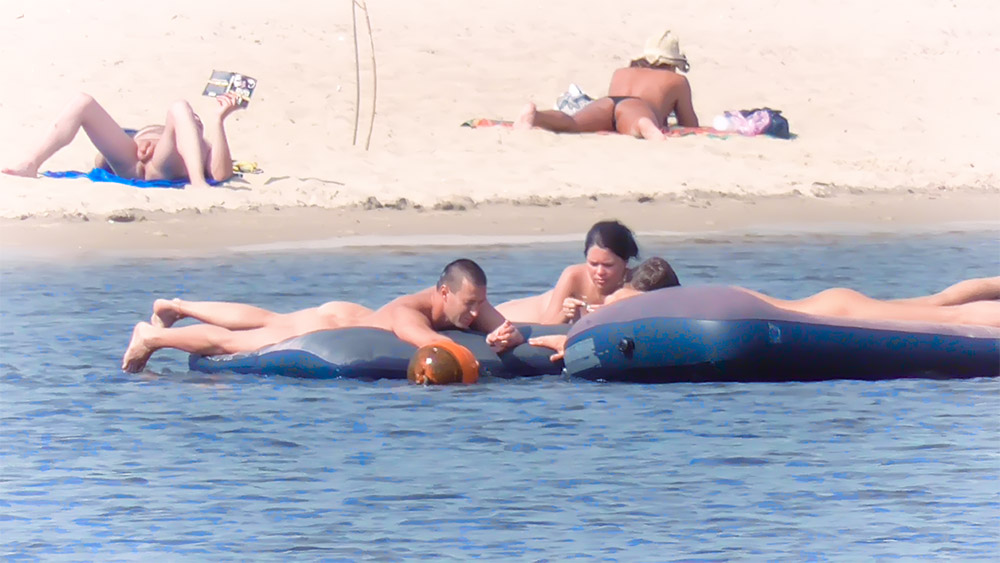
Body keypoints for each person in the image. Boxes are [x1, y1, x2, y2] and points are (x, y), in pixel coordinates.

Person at [122, 259, 525, 372]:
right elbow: (429, 341)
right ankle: (150, 336)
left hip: (341, 315)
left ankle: (175, 306)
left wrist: (507, 337)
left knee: (265, 317)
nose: (476, 312)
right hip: (324, 330)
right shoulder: (411, 309)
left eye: (479, 303)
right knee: (234, 341)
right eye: (469, 304)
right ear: (443, 292)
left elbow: (502, 325)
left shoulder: (466, 300)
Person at [529, 268, 1000, 360]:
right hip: (827, 305)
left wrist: (563, 336)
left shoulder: (644, 305)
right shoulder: (678, 300)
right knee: (938, 304)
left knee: (948, 315)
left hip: (830, 309)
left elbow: (608, 324)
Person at [3, 91, 243, 188]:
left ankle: (198, 184)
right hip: (130, 161)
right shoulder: (170, 128)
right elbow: (100, 160)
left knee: (179, 107)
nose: (194, 121)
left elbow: (221, 173)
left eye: (194, 121)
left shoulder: (201, 143)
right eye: (194, 120)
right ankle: (31, 163)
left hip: (163, 167)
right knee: (83, 101)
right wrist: (141, 144)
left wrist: (217, 120)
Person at [514, 29, 698, 140]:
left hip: (609, 102)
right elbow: (690, 124)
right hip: (636, 107)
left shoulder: (622, 72)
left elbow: (617, 111)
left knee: (573, 123)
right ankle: (646, 126)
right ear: (673, 63)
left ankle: (536, 115)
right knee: (636, 122)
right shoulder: (676, 81)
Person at [496, 220, 642, 324]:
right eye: (593, 264)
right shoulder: (574, 275)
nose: (599, 272)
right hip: (522, 315)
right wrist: (565, 314)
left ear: (625, 262)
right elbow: (545, 325)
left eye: (608, 265)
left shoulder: (633, 284)